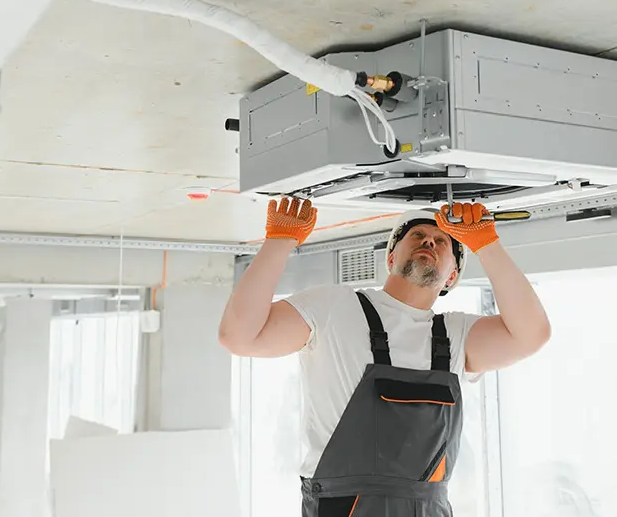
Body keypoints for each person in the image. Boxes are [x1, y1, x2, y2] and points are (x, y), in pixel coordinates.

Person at [218, 197, 551, 517]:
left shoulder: (456, 334)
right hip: (346, 507)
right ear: (391, 259)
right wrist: (279, 241)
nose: (429, 242)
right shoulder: (333, 307)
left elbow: (531, 334)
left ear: (452, 276)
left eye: (442, 241)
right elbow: (240, 336)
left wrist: (487, 244)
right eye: (417, 235)